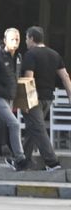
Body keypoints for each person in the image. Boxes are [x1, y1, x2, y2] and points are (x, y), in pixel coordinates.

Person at [0, 28, 29, 172]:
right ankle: (20, 159)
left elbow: (16, 79)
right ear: (5, 40)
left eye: (17, 39)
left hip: (9, 98)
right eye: (12, 39)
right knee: (14, 124)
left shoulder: (18, 57)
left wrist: (22, 100)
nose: (15, 42)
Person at [21, 26, 66, 171]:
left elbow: (29, 78)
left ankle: (52, 162)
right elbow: (65, 76)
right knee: (33, 128)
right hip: (48, 98)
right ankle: (23, 160)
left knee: (38, 129)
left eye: (26, 38)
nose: (26, 41)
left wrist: (26, 100)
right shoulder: (54, 54)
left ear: (31, 38)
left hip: (34, 98)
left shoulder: (30, 54)